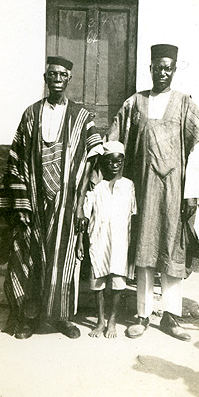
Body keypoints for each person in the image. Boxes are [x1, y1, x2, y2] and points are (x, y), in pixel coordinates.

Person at [107, 44, 199, 341]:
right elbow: (114, 141)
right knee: (144, 251)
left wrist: (191, 195)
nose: (163, 72)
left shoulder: (184, 104)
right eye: (158, 67)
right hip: (143, 190)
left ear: (175, 70)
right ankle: (142, 315)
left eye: (168, 67)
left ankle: (171, 317)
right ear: (151, 68)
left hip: (174, 193)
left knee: (172, 250)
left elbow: (196, 150)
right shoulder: (135, 103)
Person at [0, 56, 103, 339]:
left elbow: (95, 153)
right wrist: (21, 202)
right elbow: (16, 158)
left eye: (62, 75)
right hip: (34, 200)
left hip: (67, 202)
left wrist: (80, 200)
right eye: (52, 74)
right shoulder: (31, 114)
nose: (57, 79)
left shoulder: (80, 117)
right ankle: (29, 317)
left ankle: (62, 318)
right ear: (45, 78)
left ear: (69, 80)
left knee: (63, 259)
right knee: (31, 258)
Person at [76, 141, 137, 339]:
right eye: (110, 161)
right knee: (98, 280)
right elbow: (86, 215)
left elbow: (133, 216)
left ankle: (112, 320)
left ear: (123, 162)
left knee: (118, 280)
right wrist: (80, 242)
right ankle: (100, 320)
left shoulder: (128, 185)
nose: (114, 165)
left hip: (120, 240)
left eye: (118, 160)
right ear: (104, 162)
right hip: (98, 238)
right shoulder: (96, 187)